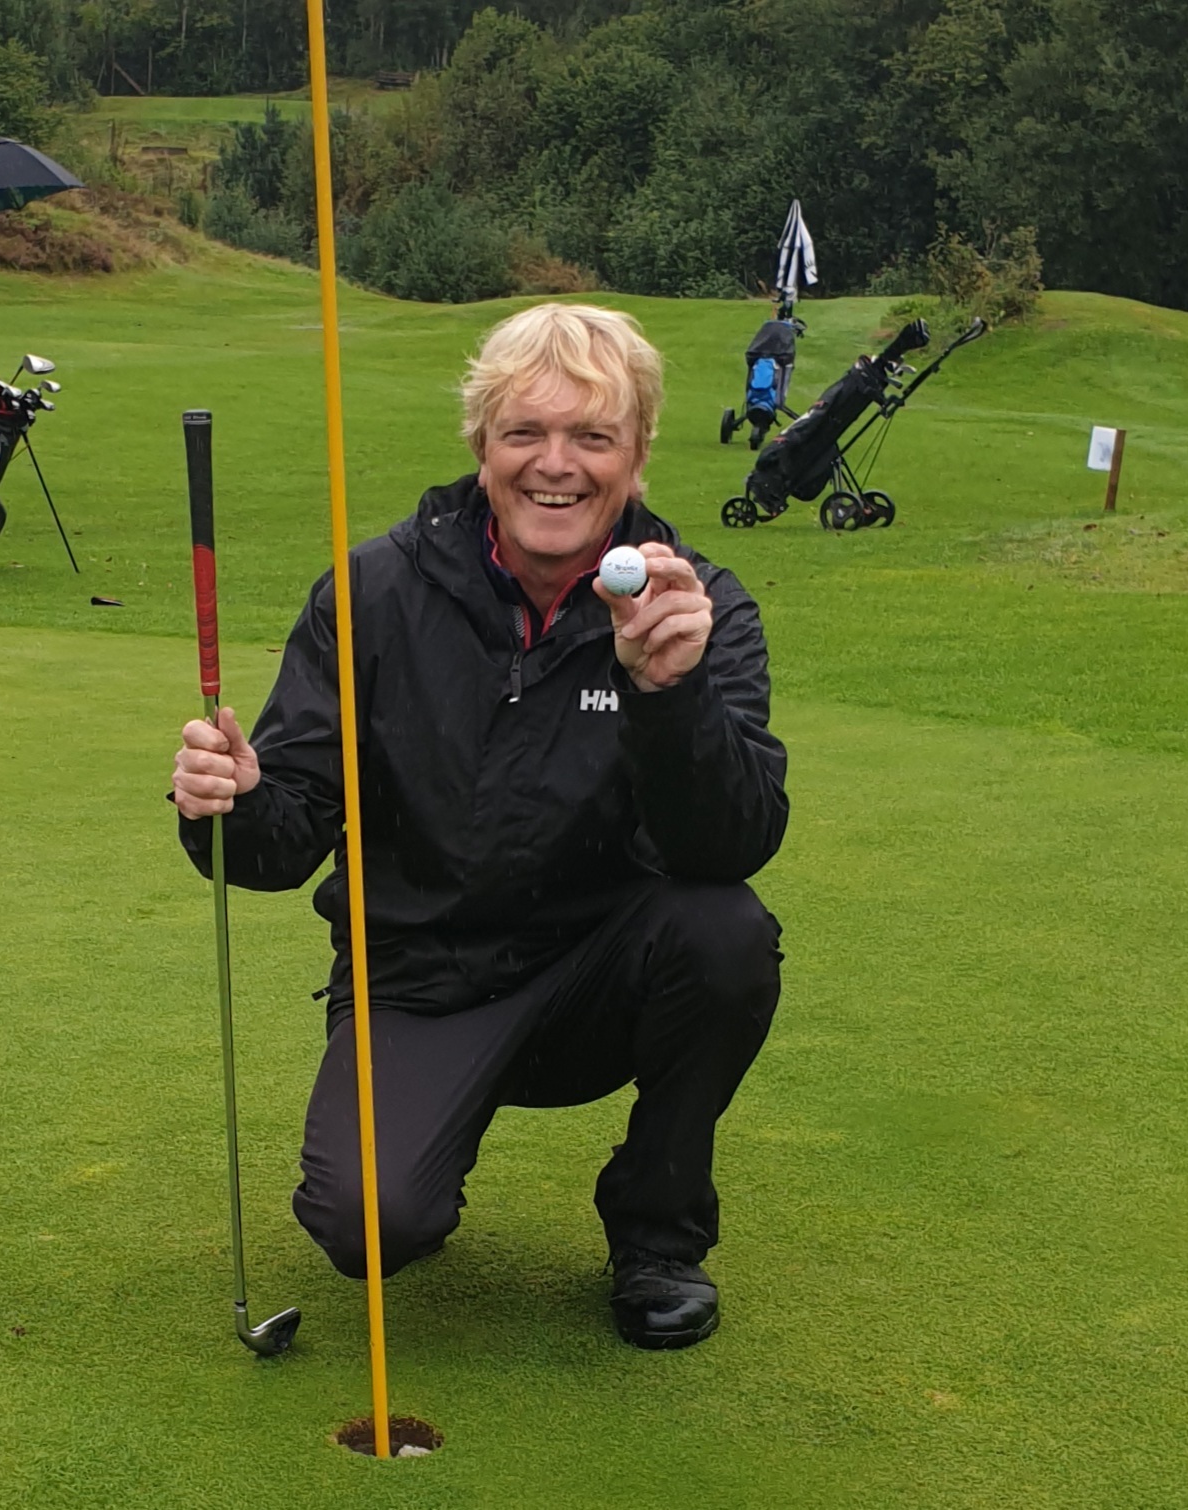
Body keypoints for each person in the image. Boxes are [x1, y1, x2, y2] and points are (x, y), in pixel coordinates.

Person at [171, 303, 786, 1350]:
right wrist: (223, 800)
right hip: (423, 977)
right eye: (524, 433)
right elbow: (281, 844)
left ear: (637, 455)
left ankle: (657, 1230)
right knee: (370, 1225)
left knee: (728, 934)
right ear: (481, 447)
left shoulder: (695, 606)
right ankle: (426, 1141)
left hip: (604, 974)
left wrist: (664, 696)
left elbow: (728, 846)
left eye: (593, 436)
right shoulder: (374, 592)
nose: (558, 466)